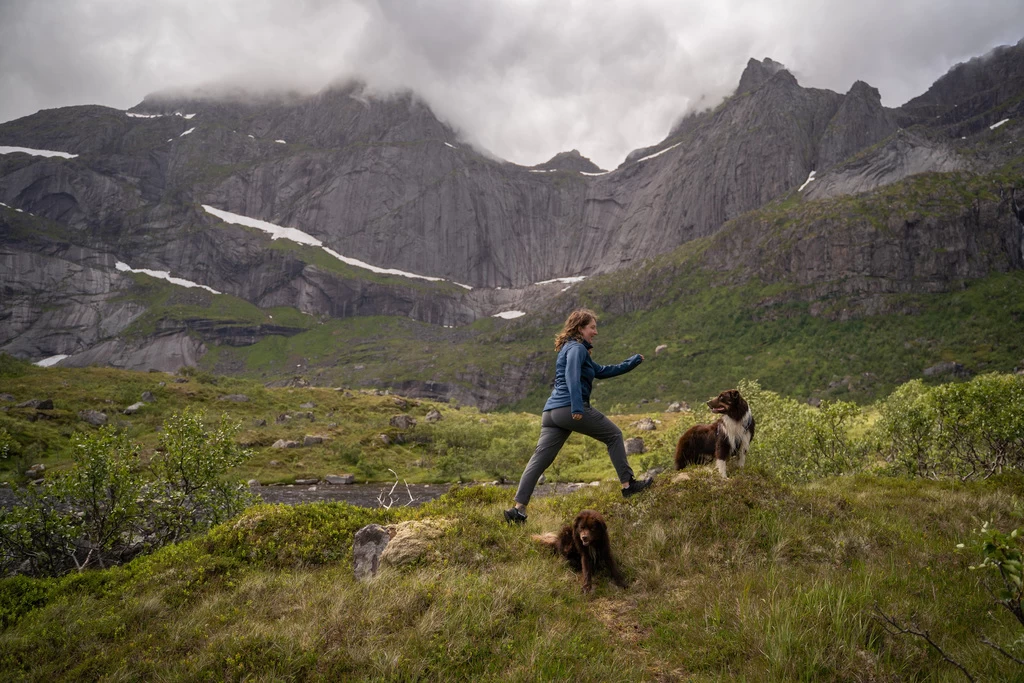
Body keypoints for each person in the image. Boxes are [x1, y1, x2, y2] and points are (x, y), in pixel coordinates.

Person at [504, 308, 653, 524]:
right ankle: (628, 485)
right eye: (592, 327)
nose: (596, 332)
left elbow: (603, 371)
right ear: (580, 328)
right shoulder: (576, 348)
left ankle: (518, 510)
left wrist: (632, 362)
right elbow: (572, 374)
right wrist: (576, 407)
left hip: (551, 413)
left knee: (539, 460)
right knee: (614, 435)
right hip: (568, 408)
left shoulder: (570, 348)